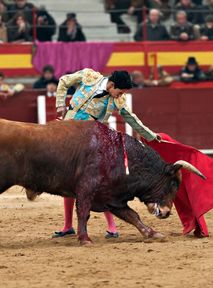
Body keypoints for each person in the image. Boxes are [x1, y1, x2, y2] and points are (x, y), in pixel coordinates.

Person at [54, 68, 161, 238]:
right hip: (69, 136)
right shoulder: (89, 76)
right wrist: (60, 104)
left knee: (101, 183)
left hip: (92, 142)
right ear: (111, 84)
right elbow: (64, 80)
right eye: (119, 92)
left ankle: (112, 228)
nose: (120, 96)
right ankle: (68, 226)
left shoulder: (118, 100)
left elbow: (132, 119)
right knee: (69, 181)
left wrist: (151, 136)